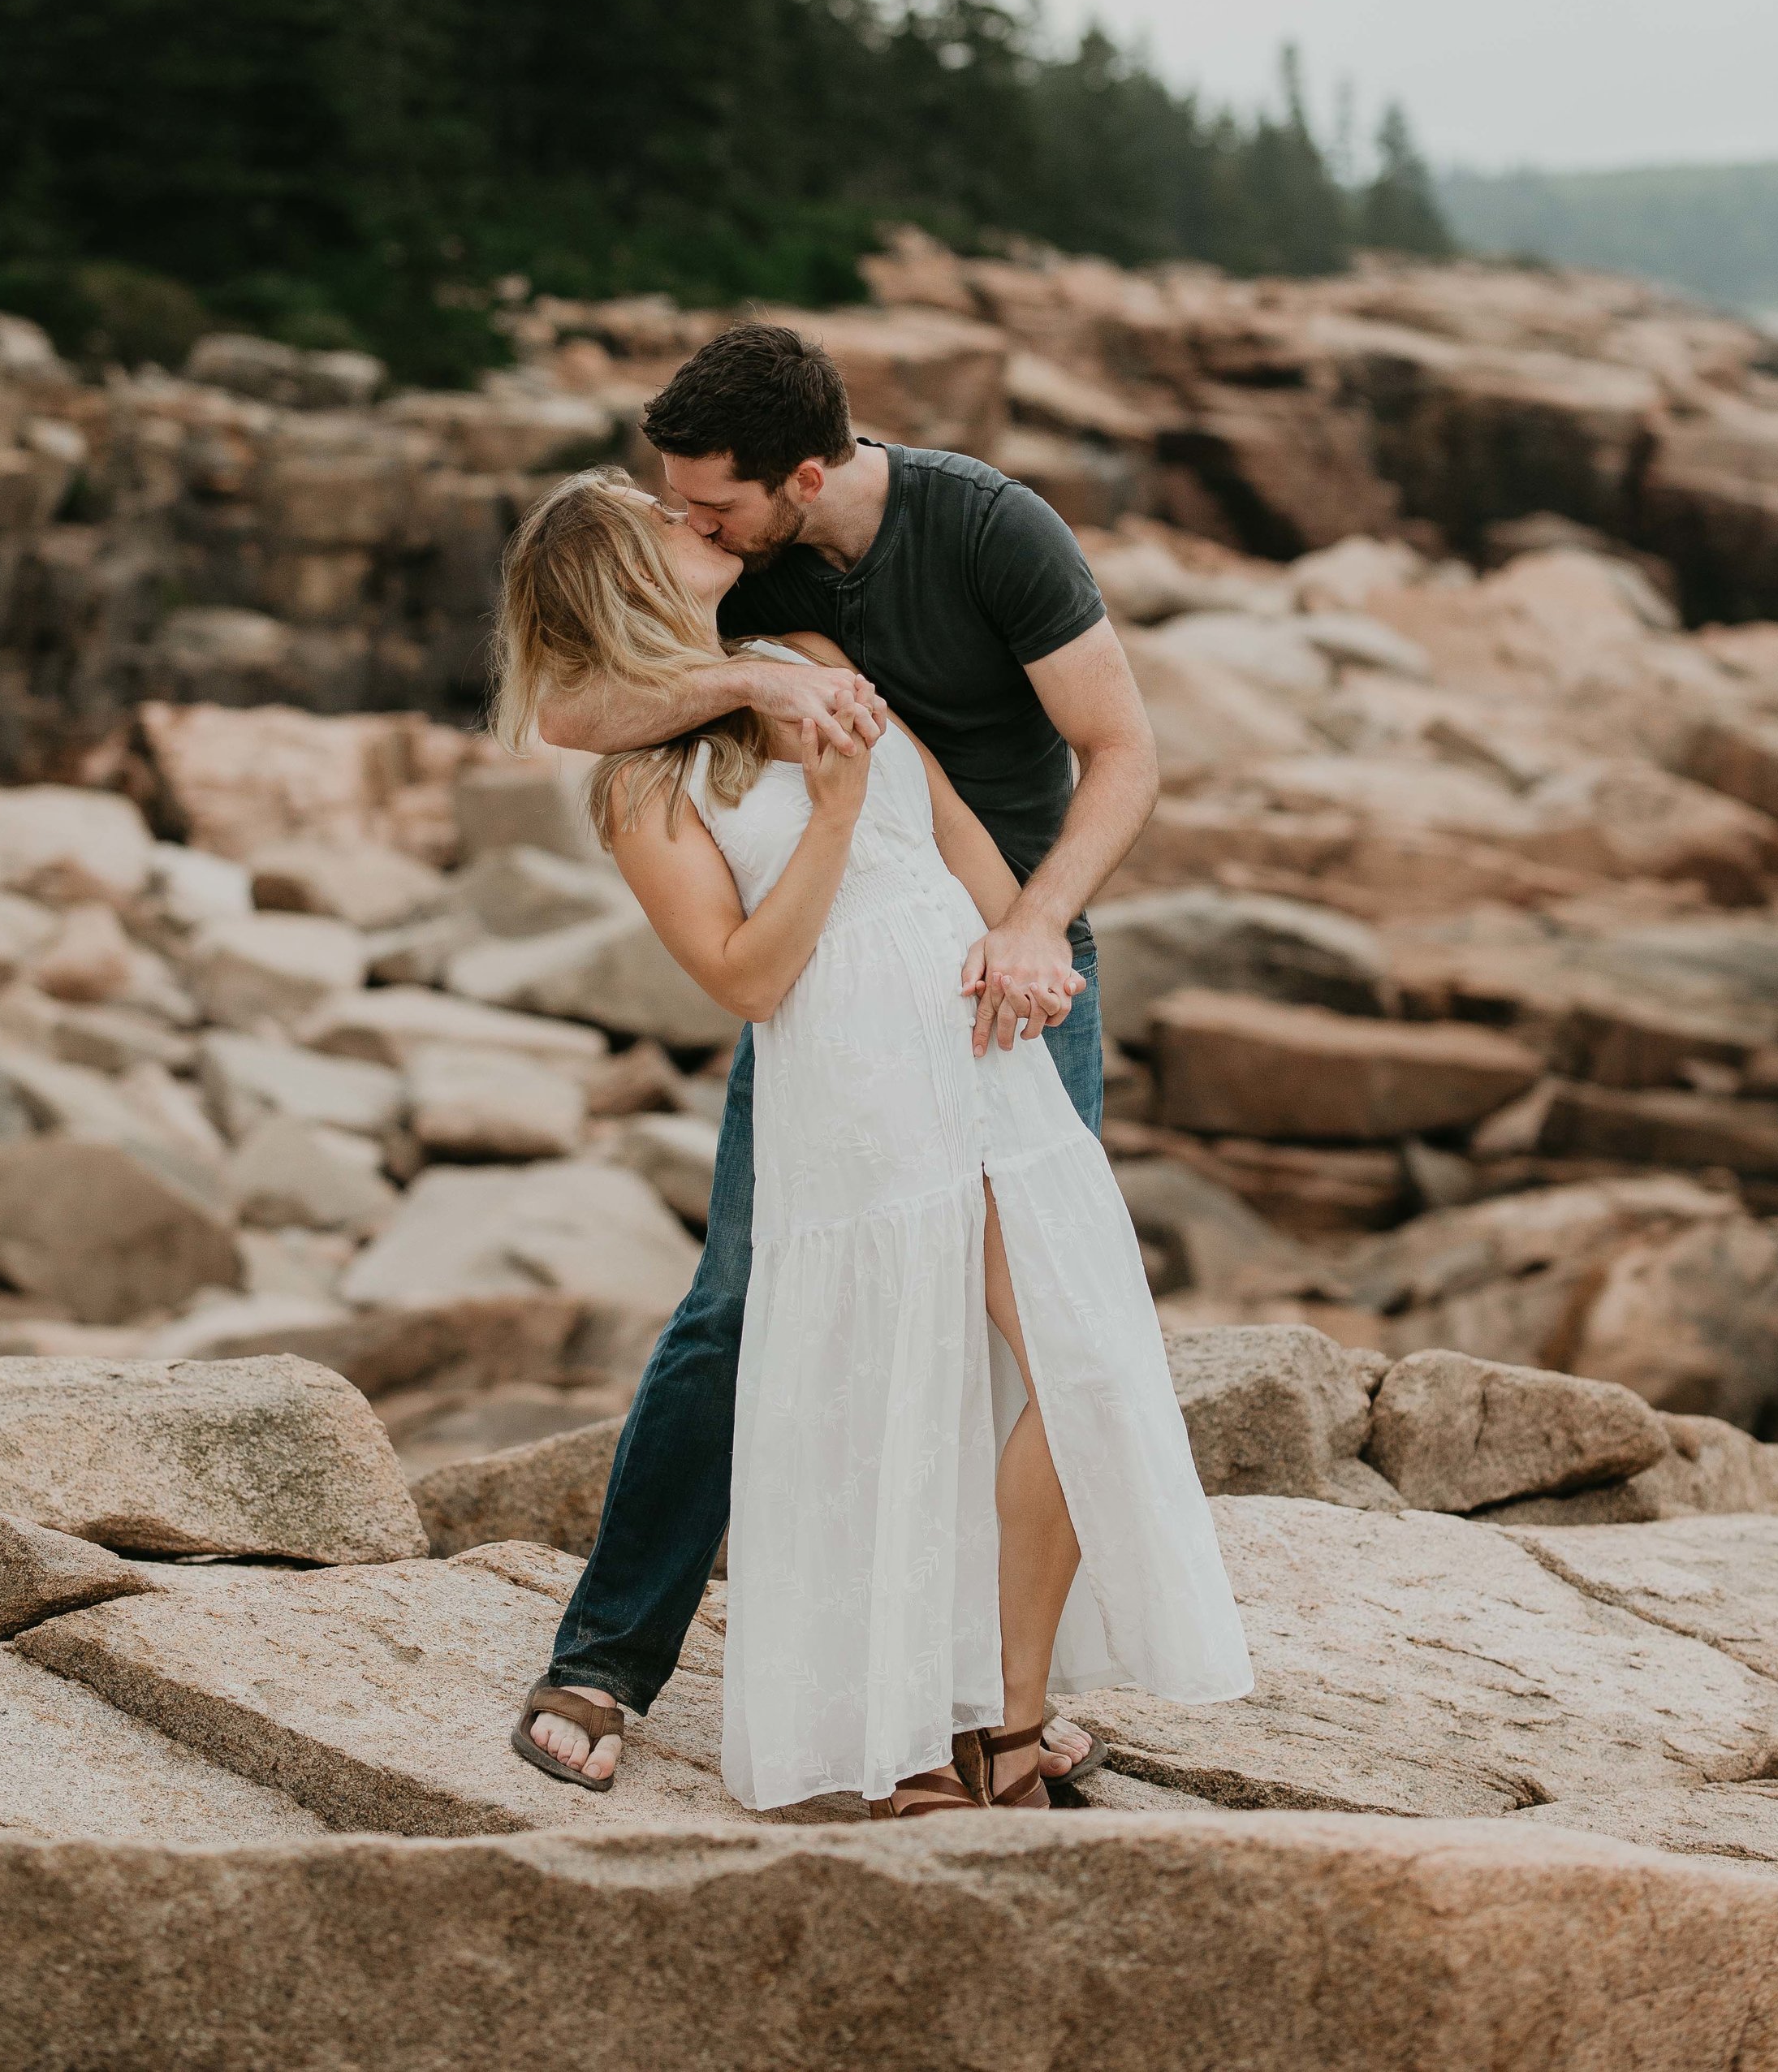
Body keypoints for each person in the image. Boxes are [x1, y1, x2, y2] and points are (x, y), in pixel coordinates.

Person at [504, 321, 1233, 1799]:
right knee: (744, 1311)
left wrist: (1030, 926)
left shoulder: (985, 529)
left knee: (1052, 1347)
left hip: (1013, 962)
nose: (690, 523)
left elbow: (1125, 752)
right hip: (842, 1021)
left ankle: (992, 1701)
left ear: (806, 478)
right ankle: (608, 1656)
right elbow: (573, 696)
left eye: (708, 506)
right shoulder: (745, 592)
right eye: (675, 511)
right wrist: (754, 698)